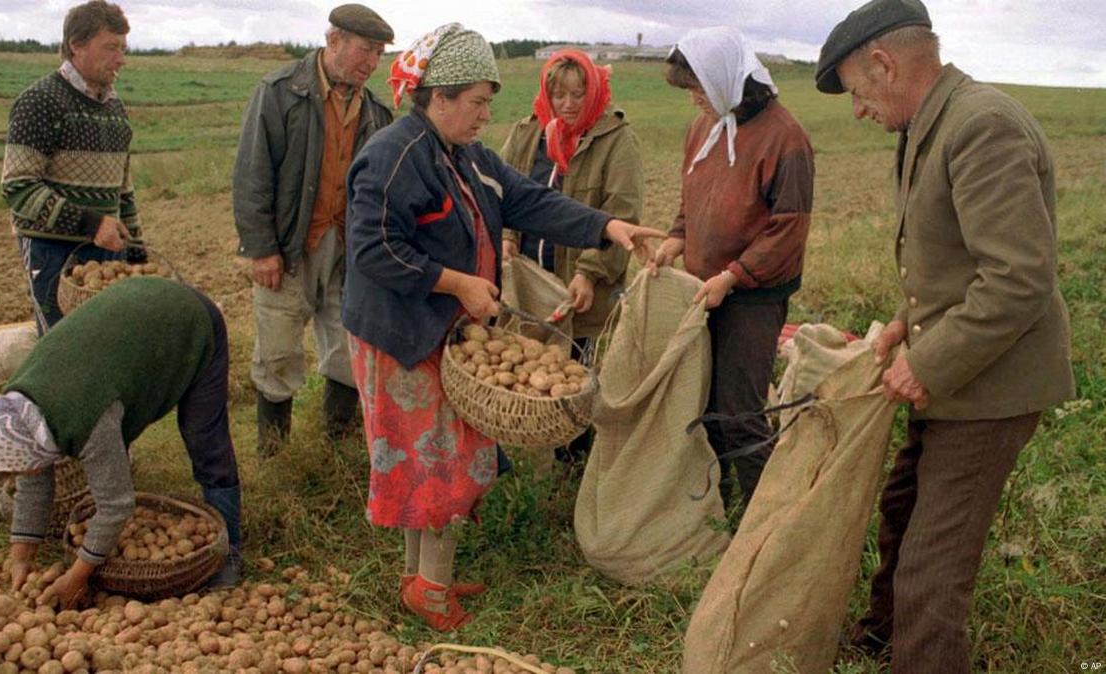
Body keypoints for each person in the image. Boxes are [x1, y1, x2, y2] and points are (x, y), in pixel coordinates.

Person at [344, 23, 667, 631]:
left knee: (435, 460)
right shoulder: (395, 155)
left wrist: (607, 229)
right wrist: (456, 282)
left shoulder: (463, 154)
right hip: (401, 336)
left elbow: (526, 199)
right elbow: (371, 248)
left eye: (489, 103)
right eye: (478, 102)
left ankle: (421, 577)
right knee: (436, 462)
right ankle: (430, 591)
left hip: (439, 331)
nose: (487, 115)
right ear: (438, 97)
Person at [814, 1, 1076, 670]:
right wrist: (908, 322)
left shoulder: (980, 126)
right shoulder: (928, 124)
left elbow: (1018, 278)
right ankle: (883, 638)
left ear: (883, 63)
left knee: (932, 564)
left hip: (990, 387)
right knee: (902, 513)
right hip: (958, 373)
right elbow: (962, 256)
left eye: (855, 92)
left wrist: (927, 361)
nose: (857, 110)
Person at [0, 276, 245, 605]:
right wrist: (21, 559)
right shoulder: (21, 411)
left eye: (24, 469)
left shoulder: (86, 417)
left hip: (186, 318)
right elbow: (33, 478)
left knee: (204, 439)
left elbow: (116, 506)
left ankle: (227, 552)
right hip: (133, 318)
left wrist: (77, 577)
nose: (28, 475)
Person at [647, 27, 814, 511]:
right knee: (703, 403)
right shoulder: (703, 127)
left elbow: (788, 231)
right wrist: (677, 240)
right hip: (703, 290)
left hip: (751, 297)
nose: (694, 99)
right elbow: (692, 197)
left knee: (739, 410)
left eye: (699, 88)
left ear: (726, 79)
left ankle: (761, 516)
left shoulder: (787, 139)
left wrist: (733, 276)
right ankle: (715, 505)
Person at [232, 4, 394, 453]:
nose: (371, 62)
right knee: (279, 350)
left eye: (379, 54)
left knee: (347, 348)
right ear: (333, 40)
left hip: (348, 252)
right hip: (289, 249)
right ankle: (274, 454)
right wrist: (261, 248)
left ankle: (335, 449)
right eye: (365, 49)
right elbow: (252, 174)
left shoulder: (376, 112)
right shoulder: (281, 92)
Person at [499, 48, 643, 465]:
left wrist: (590, 272)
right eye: (558, 95)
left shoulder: (614, 140)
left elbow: (623, 212)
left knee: (574, 373)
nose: (567, 104)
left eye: (578, 95)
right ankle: (528, 452)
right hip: (529, 276)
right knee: (526, 364)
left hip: (577, 283)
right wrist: (507, 235)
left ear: (594, 92)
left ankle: (573, 462)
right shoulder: (529, 132)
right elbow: (504, 189)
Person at [2, 0, 145, 334]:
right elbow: (18, 187)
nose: (120, 58)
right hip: (51, 250)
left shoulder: (114, 107)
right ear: (76, 46)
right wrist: (91, 223)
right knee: (61, 345)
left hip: (107, 249)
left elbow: (122, 190)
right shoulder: (40, 102)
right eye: (110, 47)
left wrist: (136, 251)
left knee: (106, 340)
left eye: (123, 48)